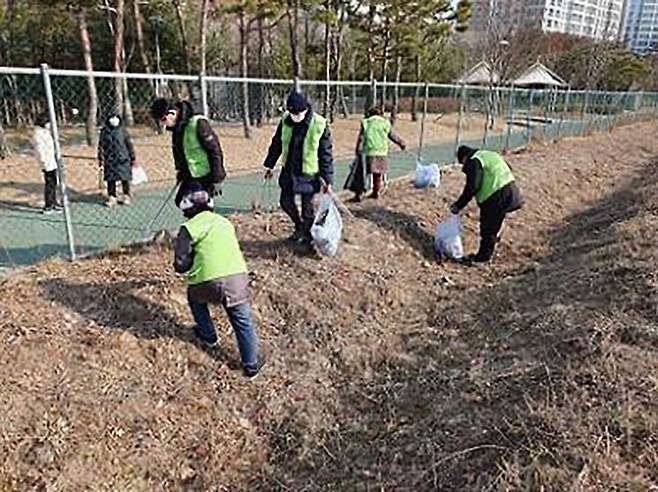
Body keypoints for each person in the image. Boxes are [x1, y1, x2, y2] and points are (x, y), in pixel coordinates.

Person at [173, 183, 261, 378]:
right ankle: (251, 365)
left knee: (195, 299)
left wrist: (189, 261)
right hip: (237, 279)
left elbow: (180, 264)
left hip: (206, 281)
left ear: (186, 207)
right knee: (242, 320)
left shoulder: (188, 228)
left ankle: (208, 335)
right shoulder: (225, 222)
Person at [262, 91, 334, 244]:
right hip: (289, 170)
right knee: (285, 202)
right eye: (292, 113)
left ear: (306, 109)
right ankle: (299, 226)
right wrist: (269, 165)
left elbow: (325, 154)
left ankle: (308, 238)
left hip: (309, 174)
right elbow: (277, 144)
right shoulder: (285, 121)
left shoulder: (319, 124)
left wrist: (327, 179)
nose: (295, 116)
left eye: (298, 113)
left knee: (308, 210)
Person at [450, 145, 523, 264]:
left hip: (495, 197)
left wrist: (458, 205)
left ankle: (482, 259)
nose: (464, 166)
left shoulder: (474, 160)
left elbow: (472, 186)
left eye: (462, 163)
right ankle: (492, 242)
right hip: (511, 192)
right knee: (493, 226)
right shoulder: (490, 154)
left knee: (488, 230)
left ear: (464, 158)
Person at [150, 98, 225, 207]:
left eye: (163, 119)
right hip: (189, 174)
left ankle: (206, 220)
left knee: (196, 205)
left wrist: (217, 178)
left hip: (205, 175)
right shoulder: (177, 129)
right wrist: (180, 171)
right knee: (181, 201)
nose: (163, 124)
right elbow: (180, 152)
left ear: (172, 113)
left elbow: (215, 150)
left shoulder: (198, 123)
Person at [349, 106, 406, 202]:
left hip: (369, 152)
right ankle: (376, 192)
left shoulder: (366, 122)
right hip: (382, 152)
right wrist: (401, 143)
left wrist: (358, 150)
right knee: (377, 174)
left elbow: (361, 138)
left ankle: (359, 194)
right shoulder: (385, 123)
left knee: (362, 174)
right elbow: (392, 136)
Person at [97, 114, 136, 208]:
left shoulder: (123, 130)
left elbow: (129, 144)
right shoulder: (104, 131)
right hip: (109, 159)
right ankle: (112, 196)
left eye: (115, 118)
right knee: (111, 179)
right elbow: (101, 146)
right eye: (112, 118)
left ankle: (126, 195)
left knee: (125, 178)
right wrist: (100, 158)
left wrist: (132, 157)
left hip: (123, 158)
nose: (114, 120)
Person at [32, 113, 62, 215]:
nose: (49, 124)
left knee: (54, 183)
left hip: (52, 161)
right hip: (47, 163)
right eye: (47, 122)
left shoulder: (45, 132)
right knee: (49, 184)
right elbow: (40, 150)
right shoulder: (38, 134)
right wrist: (44, 163)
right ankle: (48, 206)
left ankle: (54, 202)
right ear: (43, 123)